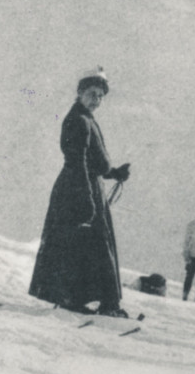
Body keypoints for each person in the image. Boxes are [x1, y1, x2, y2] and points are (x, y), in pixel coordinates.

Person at [28, 69, 132, 316]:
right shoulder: (77, 119)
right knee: (83, 243)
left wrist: (113, 173)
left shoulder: (86, 118)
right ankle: (86, 301)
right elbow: (77, 161)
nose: (96, 100)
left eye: (100, 96)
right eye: (92, 94)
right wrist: (85, 198)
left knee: (89, 244)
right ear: (80, 93)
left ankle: (86, 300)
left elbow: (93, 161)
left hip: (87, 186)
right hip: (77, 188)